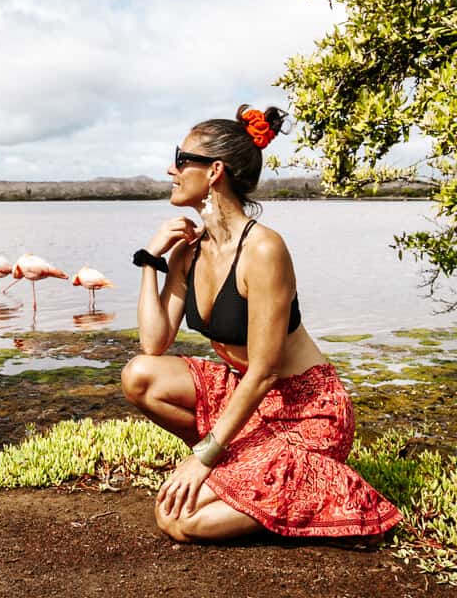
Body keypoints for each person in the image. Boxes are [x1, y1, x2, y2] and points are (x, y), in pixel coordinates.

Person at [121, 105, 402, 543]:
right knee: (139, 375)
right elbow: (153, 345)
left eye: (181, 158)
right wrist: (150, 261)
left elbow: (266, 370)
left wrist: (203, 456)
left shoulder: (265, 250)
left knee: (182, 520)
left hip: (305, 411)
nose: (170, 169)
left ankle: (331, 487)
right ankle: (250, 465)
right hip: (250, 401)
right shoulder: (188, 252)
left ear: (214, 171)